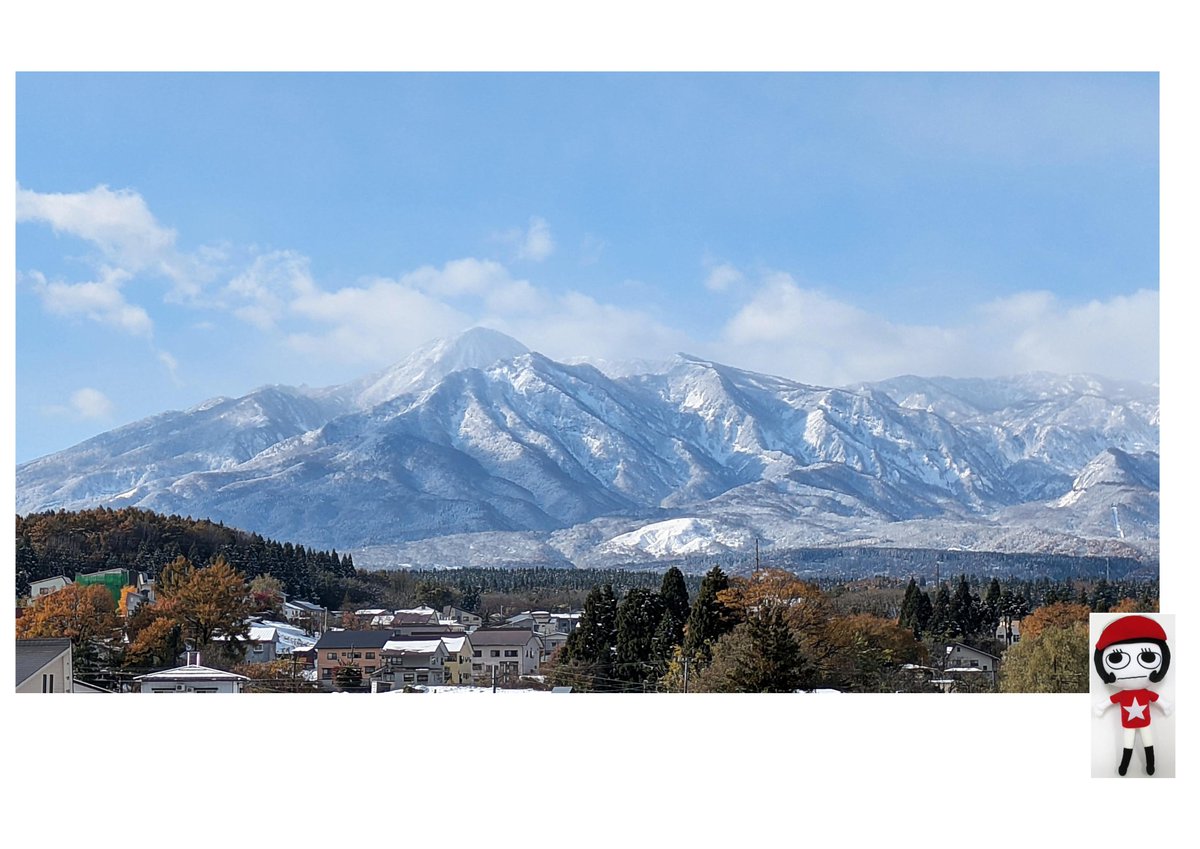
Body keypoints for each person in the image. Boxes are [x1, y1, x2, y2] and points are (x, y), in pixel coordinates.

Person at [1093, 615, 1172, 776]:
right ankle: (1126, 765)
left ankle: (1148, 765)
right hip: (1133, 724)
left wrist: (1165, 706)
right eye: (1116, 658)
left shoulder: (1133, 693)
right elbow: (1110, 701)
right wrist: (1101, 706)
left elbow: (1110, 701)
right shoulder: (1129, 694)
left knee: (1144, 742)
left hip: (1140, 723)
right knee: (1131, 743)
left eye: (1148, 657)